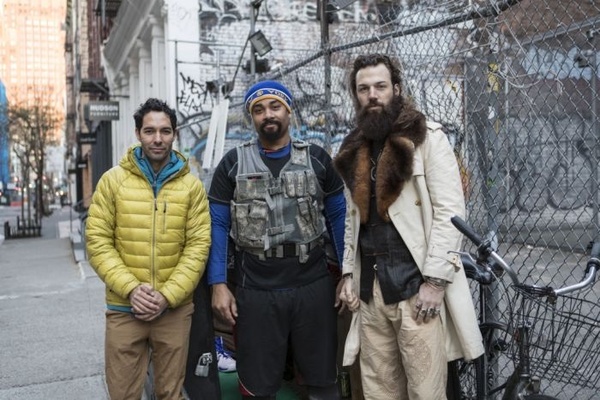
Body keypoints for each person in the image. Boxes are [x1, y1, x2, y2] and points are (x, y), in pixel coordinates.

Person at [334, 54, 484, 399]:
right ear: (356, 95)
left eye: (380, 86)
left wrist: (435, 282)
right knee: (379, 392)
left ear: (397, 89)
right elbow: (353, 220)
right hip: (370, 294)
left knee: (425, 392)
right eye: (364, 89)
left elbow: (450, 213)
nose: (373, 95)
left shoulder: (427, 138)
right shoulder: (354, 147)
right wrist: (348, 273)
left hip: (416, 290)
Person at [207, 80, 347, 399]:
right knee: (258, 386)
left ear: (288, 111)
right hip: (256, 286)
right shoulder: (232, 163)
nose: (267, 114)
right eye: (258, 109)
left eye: (275, 106)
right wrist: (218, 284)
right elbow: (218, 224)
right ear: (252, 118)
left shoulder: (316, 158)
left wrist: (347, 273)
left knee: (323, 380)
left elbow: (338, 216)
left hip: (312, 283)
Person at [86, 98, 211, 400]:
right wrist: (131, 289)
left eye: (165, 131)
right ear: (138, 133)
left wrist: (167, 295)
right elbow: (97, 241)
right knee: (123, 394)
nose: (158, 138)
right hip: (124, 307)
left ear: (174, 134)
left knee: (171, 394)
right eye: (150, 131)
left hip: (174, 309)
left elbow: (198, 246)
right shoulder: (112, 182)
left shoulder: (191, 187)